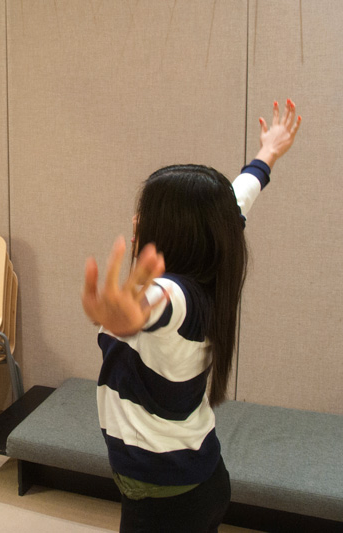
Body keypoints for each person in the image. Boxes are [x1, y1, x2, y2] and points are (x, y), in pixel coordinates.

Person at [81, 100, 301, 532]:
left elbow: (158, 304)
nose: (136, 219)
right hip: (195, 481)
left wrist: (129, 316)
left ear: (172, 233)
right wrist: (268, 153)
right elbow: (239, 197)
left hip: (165, 501)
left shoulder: (175, 295)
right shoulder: (210, 262)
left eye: (147, 213)